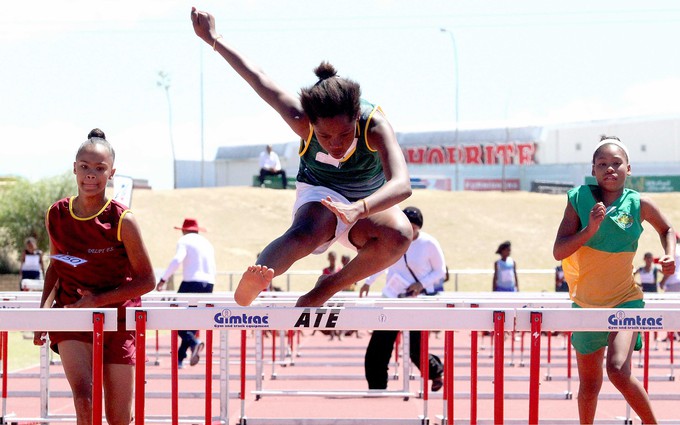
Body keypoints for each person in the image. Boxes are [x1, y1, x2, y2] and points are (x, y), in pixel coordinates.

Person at [191, 8, 412, 308]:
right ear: (312, 125)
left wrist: (359, 208)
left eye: (345, 136)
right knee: (309, 231)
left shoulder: (373, 125)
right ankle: (261, 273)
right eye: (325, 137)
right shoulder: (301, 119)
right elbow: (258, 79)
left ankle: (328, 287)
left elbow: (402, 184)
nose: (335, 144)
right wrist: (214, 38)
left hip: (367, 202)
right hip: (320, 194)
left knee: (400, 234)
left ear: (355, 119)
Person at [33, 128, 155, 425]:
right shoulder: (57, 214)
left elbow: (147, 281)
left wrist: (97, 300)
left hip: (119, 317)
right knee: (84, 399)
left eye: (99, 169)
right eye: (85, 167)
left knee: (118, 419)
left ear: (111, 173)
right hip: (72, 314)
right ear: (74, 168)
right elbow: (56, 266)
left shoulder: (123, 220)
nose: (91, 174)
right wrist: (42, 317)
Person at [553, 136, 676, 425]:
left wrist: (669, 255)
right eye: (603, 164)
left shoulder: (639, 203)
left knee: (618, 370)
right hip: (586, 303)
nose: (610, 169)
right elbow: (559, 251)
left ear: (628, 169)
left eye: (616, 163)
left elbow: (667, 229)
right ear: (593, 170)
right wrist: (589, 229)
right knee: (589, 385)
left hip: (625, 299)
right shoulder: (579, 199)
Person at [360, 207, 445, 391]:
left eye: (413, 227)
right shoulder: (391, 239)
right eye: (407, 226)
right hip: (391, 299)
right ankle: (377, 387)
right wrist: (368, 282)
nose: (410, 231)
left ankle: (436, 373)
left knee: (416, 349)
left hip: (417, 301)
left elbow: (441, 271)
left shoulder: (429, 243)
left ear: (419, 227)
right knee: (379, 346)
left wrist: (420, 284)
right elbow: (379, 262)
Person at [157, 218, 216, 369]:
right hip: (209, 284)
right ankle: (180, 357)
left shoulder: (184, 241)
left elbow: (177, 260)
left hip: (191, 282)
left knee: (175, 318)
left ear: (184, 230)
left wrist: (163, 279)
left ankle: (193, 342)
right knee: (192, 321)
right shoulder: (207, 243)